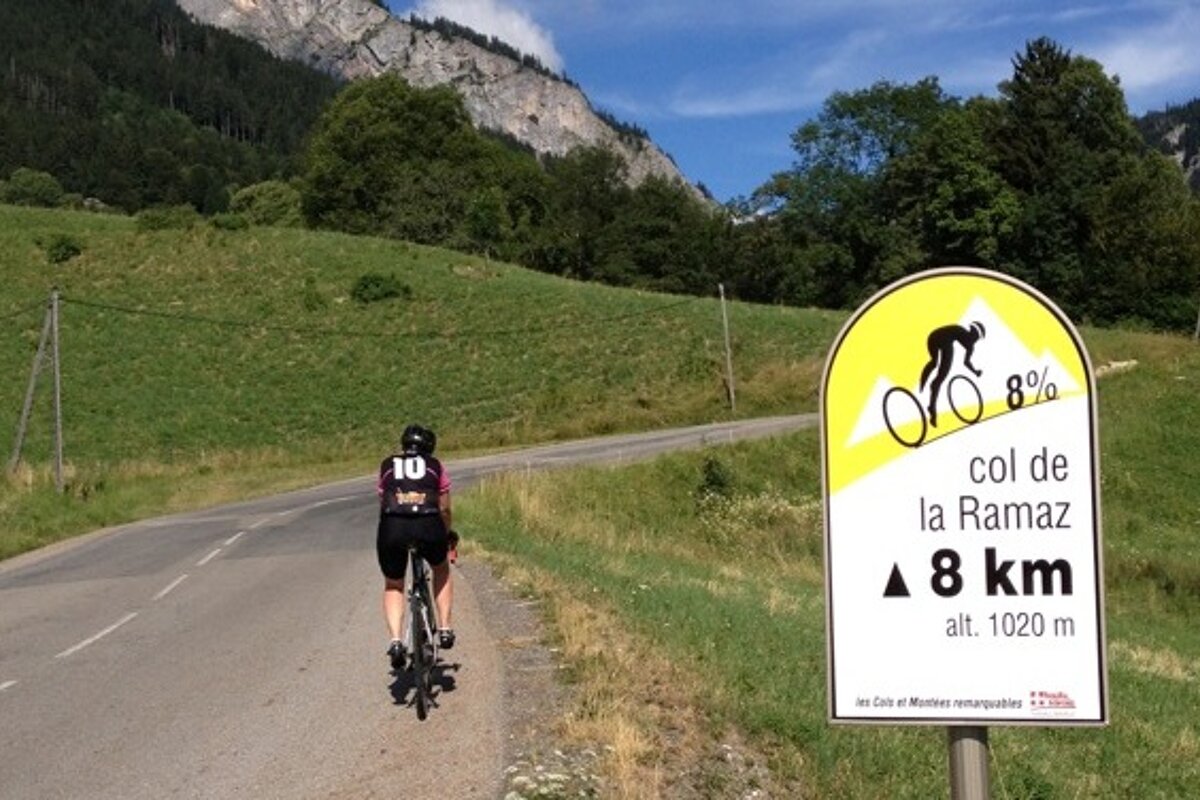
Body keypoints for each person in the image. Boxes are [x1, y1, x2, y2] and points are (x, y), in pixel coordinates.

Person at [376, 424, 456, 671]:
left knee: (393, 583)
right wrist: (447, 534)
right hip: (429, 525)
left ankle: (397, 641)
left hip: (393, 527)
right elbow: (443, 508)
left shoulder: (387, 465)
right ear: (430, 448)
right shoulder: (435, 466)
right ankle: (444, 628)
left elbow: (383, 501)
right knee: (441, 568)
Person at [918, 321, 985, 427]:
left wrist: (975, 371)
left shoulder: (969, 345)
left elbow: (966, 362)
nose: (973, 340)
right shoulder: (959, 331)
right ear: (972, 332)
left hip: (936, 338)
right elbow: (966, 362)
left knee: (936, 366)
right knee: (937, 365)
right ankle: (931, 400)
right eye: (975, 336)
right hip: (936, 338)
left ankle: (932, 404)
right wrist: (975, 371)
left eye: (976, 339)